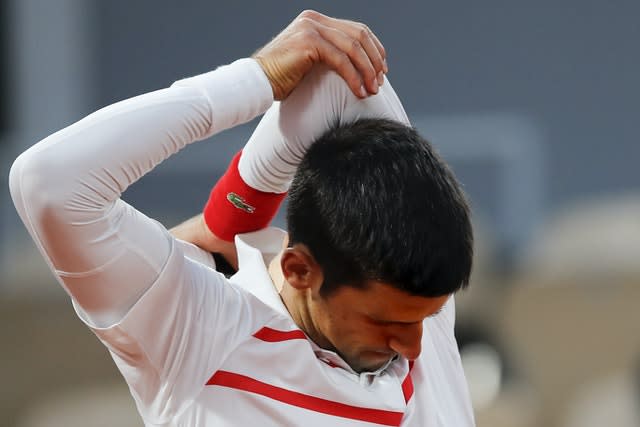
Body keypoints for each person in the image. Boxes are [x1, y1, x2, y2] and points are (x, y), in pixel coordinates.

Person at [9, 10, 475, 427]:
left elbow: (333, 83)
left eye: (431, 314)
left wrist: (226, 222)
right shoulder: (199, 332)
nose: (414, 347)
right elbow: (49, 183)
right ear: (299, 269)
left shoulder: (415, 300)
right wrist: (254, 79)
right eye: (383, 321)